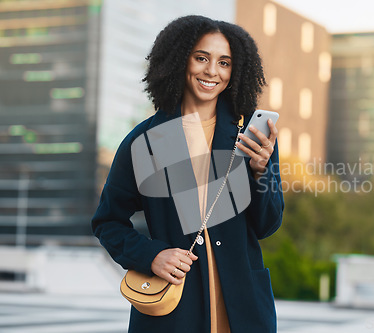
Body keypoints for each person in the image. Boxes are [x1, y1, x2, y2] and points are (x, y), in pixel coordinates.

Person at [91, 15, 284, 333]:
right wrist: (152, 255)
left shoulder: (249, 133)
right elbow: (107, 222)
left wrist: (261, 172)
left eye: (224, 62)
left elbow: (267, 225)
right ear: (180, 60)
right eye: (202, 58)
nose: (212, 71)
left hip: (244, 309)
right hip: (174, 312)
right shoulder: (147, 141)